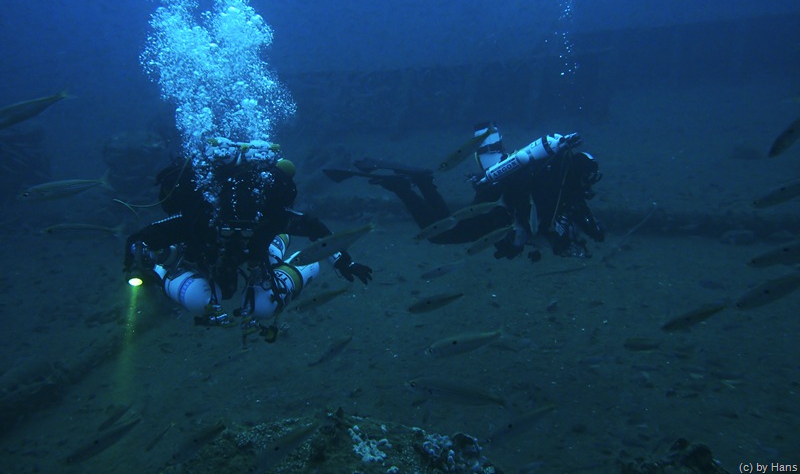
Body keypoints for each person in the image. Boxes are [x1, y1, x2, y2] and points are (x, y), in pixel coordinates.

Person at [124, 137, 372, 339]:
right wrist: (140, 262)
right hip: (215, 259)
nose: (236, 225)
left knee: (261, 307)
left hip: (254, 259)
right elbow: (141, 240)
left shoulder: (208, 219)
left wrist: (345, 262)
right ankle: (164, 264)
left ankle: (286, 255)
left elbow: (142, 238)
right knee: (205, 300)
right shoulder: (206, 218)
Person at [326, 123, 604, 261]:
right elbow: (528, 214)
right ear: (578, 175)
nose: (589, 185)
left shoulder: (560, 186)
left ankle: (423, 182)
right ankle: (404, 187)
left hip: (496, 204)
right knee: (440, 233)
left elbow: (575, 216)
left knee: (448, 223)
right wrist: (514, 244)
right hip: (498, 212)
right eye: (588, 179)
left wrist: (591, 234)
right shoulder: (555, 188)